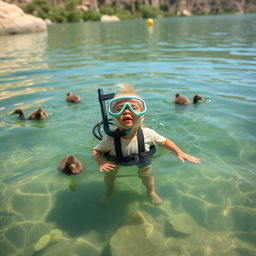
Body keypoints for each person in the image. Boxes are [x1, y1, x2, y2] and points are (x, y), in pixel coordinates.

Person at [92, 84, 200, 205]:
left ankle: (151, 192)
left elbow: (165, 141)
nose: (127, 111)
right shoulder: (110, 138)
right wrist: (102, 162)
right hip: (116, 161)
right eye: (120, 108)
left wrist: (180, 152)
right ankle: (109, 193)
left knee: (147, 176)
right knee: (110, 177)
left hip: (142, 159)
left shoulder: (148, 134)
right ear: (113, 115)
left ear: (142, 114)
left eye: (133, 107)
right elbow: (96, 151)